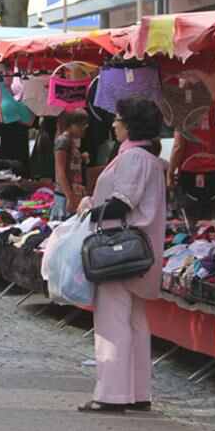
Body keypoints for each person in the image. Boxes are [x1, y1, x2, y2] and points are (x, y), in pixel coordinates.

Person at [76, 98, 167, 414]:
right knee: (136, 322)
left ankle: (112, 394)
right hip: (140, 252)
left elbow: (122, 204)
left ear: (130, 124)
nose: (113, 124)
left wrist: (89, 208)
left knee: (112, 322)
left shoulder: (134, 159)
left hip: (119, 251)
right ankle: (138, 392)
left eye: (117, 119)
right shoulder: (149, 158)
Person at [50, 110, 89, 220]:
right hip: (65, 195)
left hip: (73, 193)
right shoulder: (63, 141)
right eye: (81, 125)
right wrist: (70, 197)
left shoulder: (71, 142)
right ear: (71, 125)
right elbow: (60, 171)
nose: (85, 128)